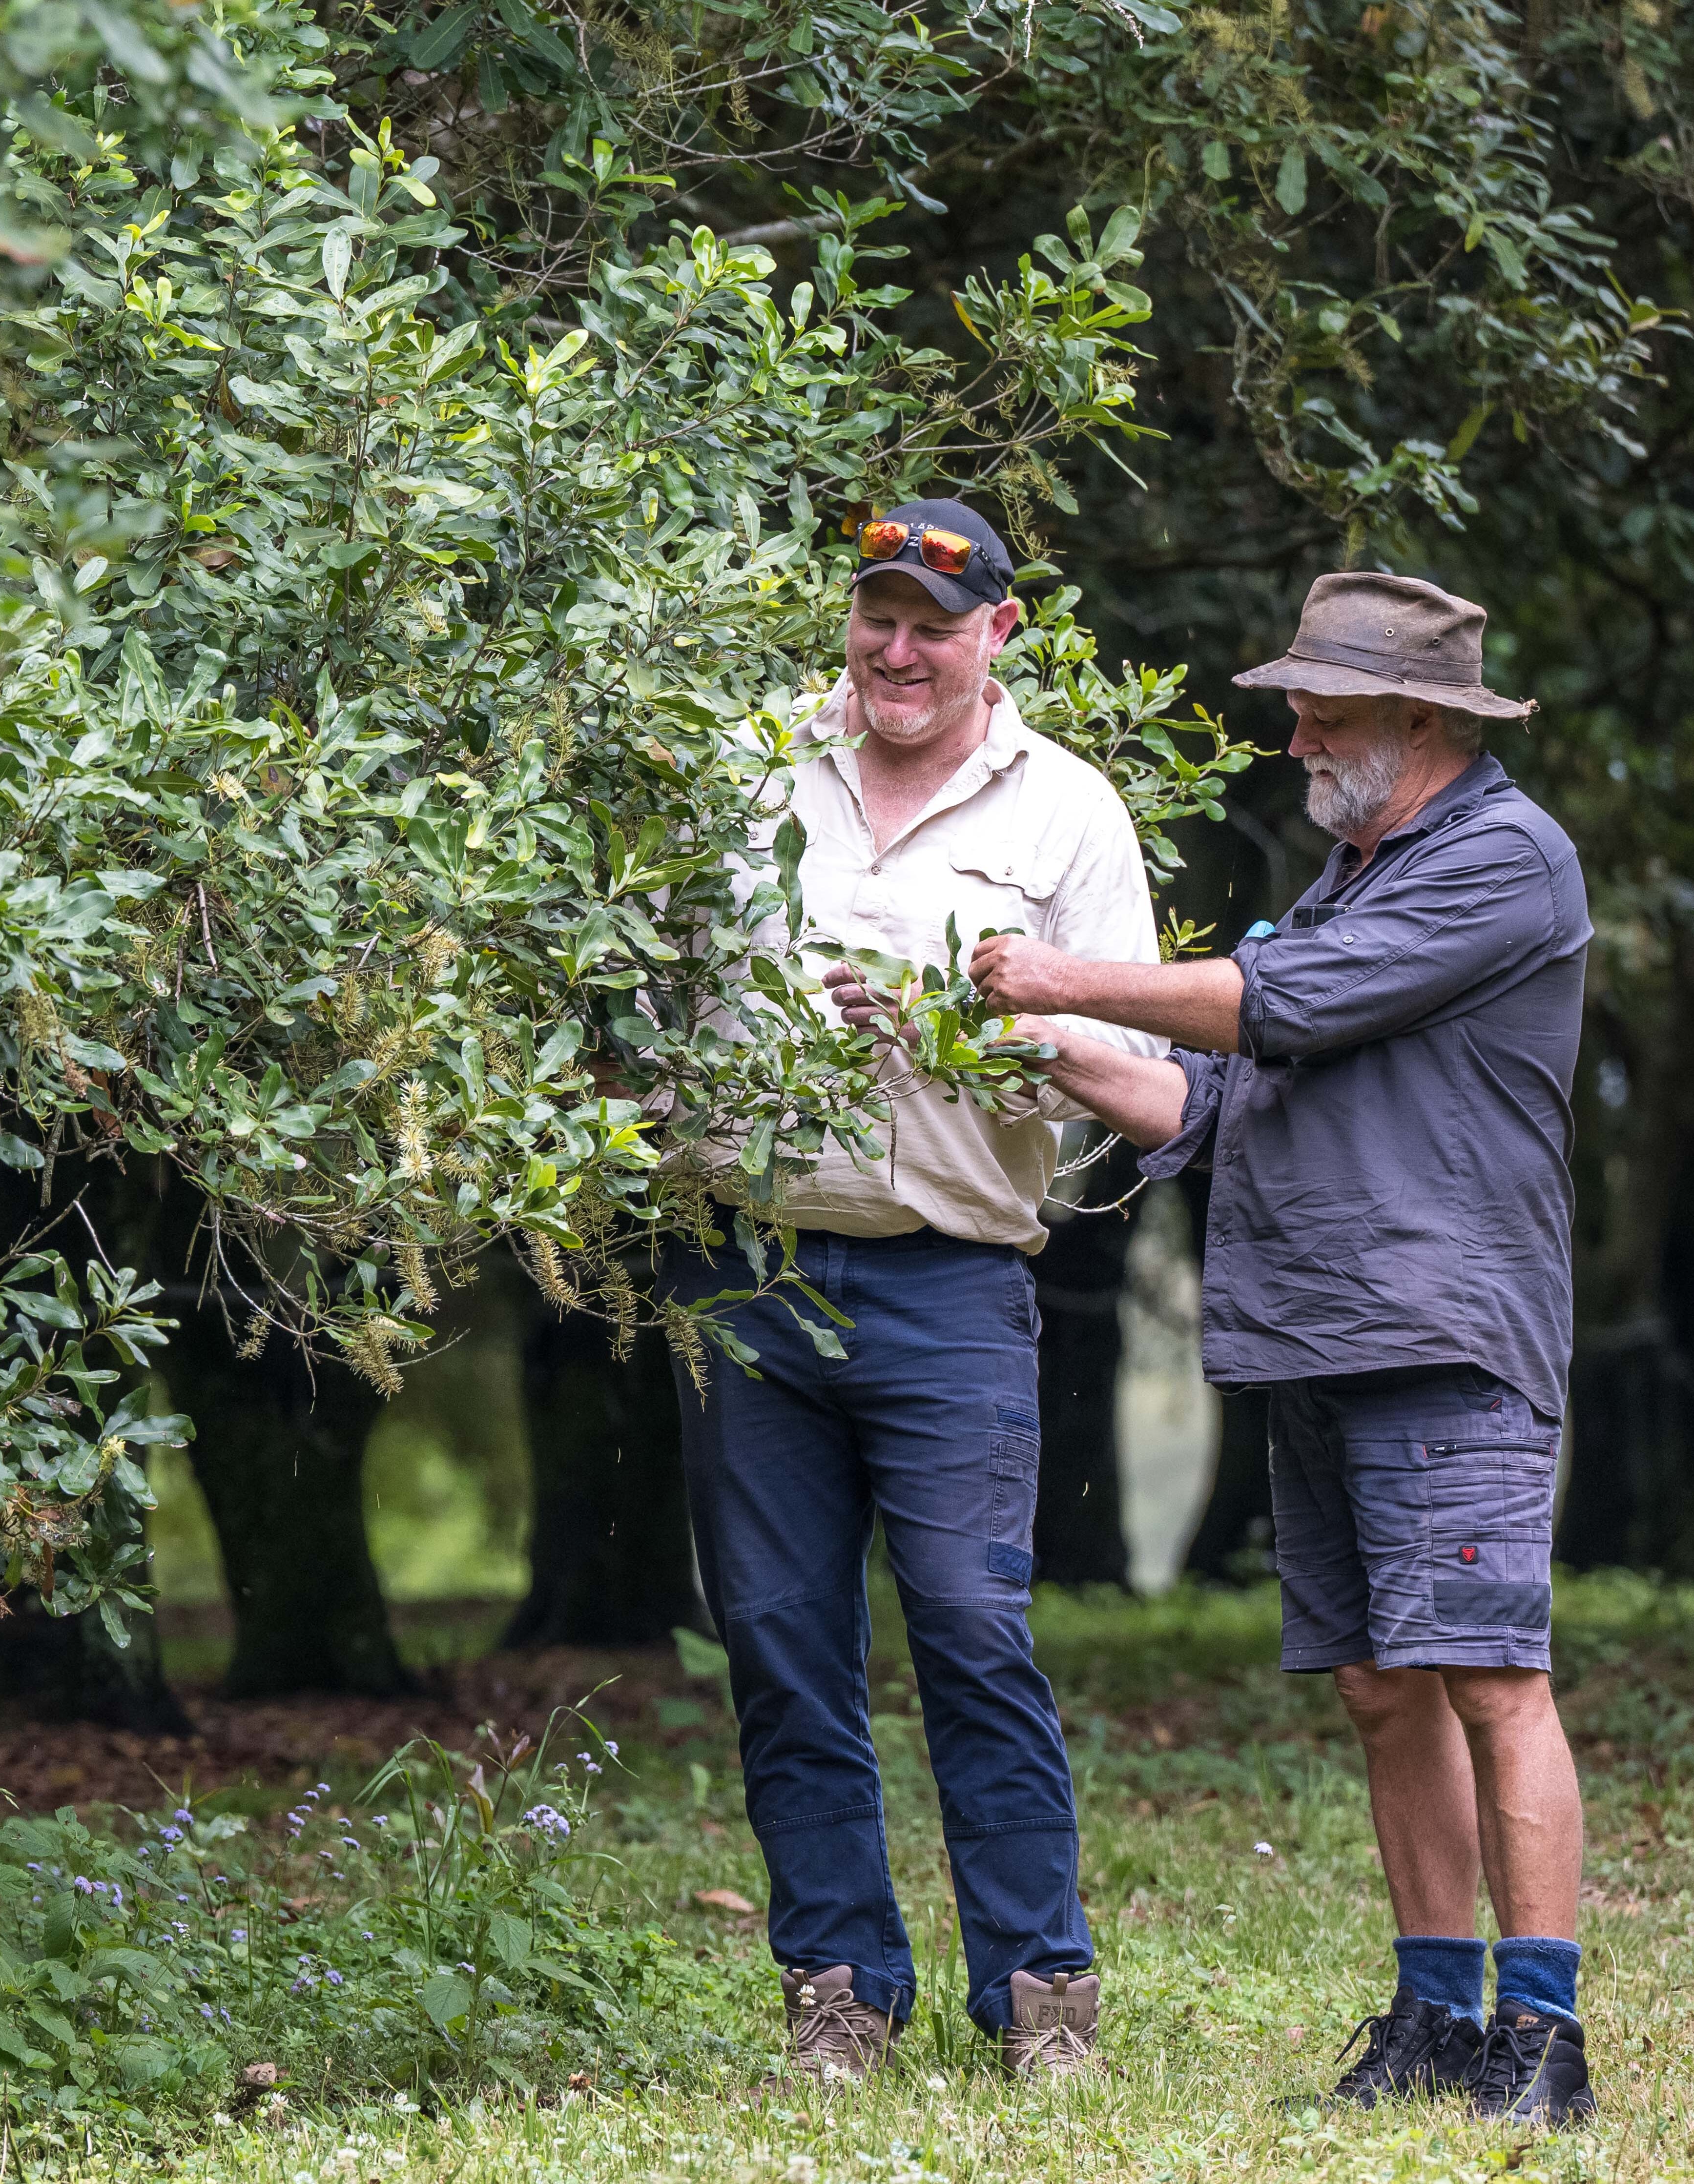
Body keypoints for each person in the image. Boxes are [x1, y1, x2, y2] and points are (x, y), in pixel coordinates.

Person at [970, 570, 1598, 2125]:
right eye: (1299, 701)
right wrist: (1044, 1042)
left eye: (1325, 705)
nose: (1297, 730)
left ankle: (1545, 2035)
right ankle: (1438, 2011)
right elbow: (1213, 1103)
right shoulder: (1353, 875)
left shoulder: (1507, 861)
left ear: (1424, 720)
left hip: (1443, 1339)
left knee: (1488, 1674)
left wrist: (1066, 972)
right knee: (1384, 1686)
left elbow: (1279, 1007)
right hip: (1317, 1334)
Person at [667, 497, 1164, 2082]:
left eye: (933, 626)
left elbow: (1144, 1074)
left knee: (970, 1626)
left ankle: (1042, 1997)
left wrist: (998, 1022)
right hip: (743, 1274)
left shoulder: (1070, 813)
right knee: (779, 1638)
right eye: (877, 614)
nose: (898, 650)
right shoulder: (738, 775)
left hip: (951, 1282)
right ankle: (838, 1991)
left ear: (996, 636)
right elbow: (633, 999)